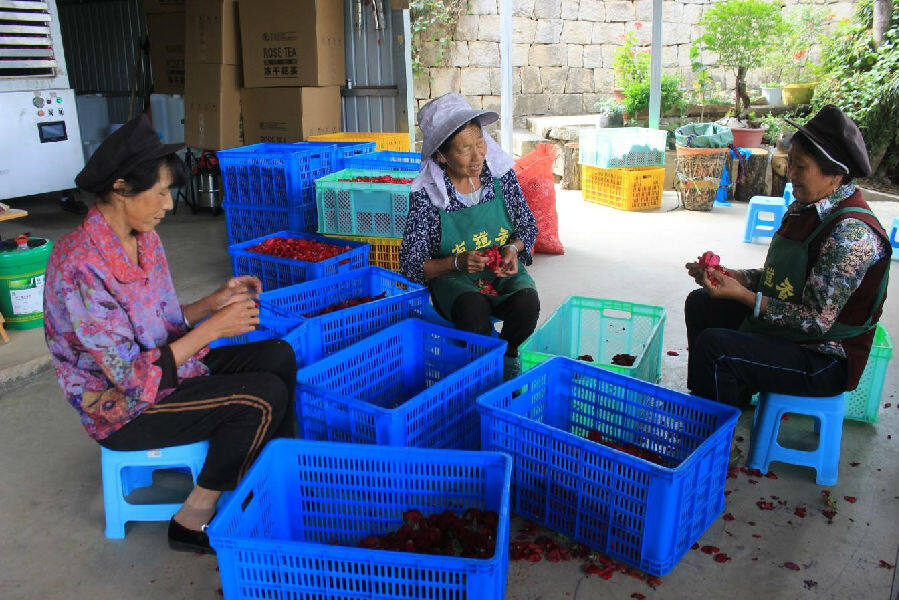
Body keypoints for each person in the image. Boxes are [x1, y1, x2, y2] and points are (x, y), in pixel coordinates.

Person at [42, 115, 296, 553]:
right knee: (259, 397)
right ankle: (192, 517)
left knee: (277, 355)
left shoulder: (144, 237)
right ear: (121, 189)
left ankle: (262, 471)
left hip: (166, 369)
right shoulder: (79, 268)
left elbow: (161, 322)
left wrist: (211, 304)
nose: (168, 204)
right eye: (159, 192)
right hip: (122, 408)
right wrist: (214, 328)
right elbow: (132, 379)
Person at [684, 105, 891, 406]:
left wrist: (743, 295)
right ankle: (719, 403)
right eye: (789, 163)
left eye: (801, 167)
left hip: (824, 356)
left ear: (835, 175)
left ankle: (712, 430)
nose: (790, 174)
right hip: (791, 333)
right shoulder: (806, 206)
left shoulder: (851, 233)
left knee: (716, 347)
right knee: (702, 303)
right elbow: (781, 278)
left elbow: (816, 321)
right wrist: (735, 277)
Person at [399, 93, 540, 379]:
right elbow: (411, 264)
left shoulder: (501, 177)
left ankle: (508, 354)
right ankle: (482, 367)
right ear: (441, 155)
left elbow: (527, 225)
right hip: (454, 278)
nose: (477, 156)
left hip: (499, 269)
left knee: (527, 303)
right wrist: (455, 263)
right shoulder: (429, 196)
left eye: (480, 143)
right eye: (464, 149)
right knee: (472, 311)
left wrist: (512, 249)